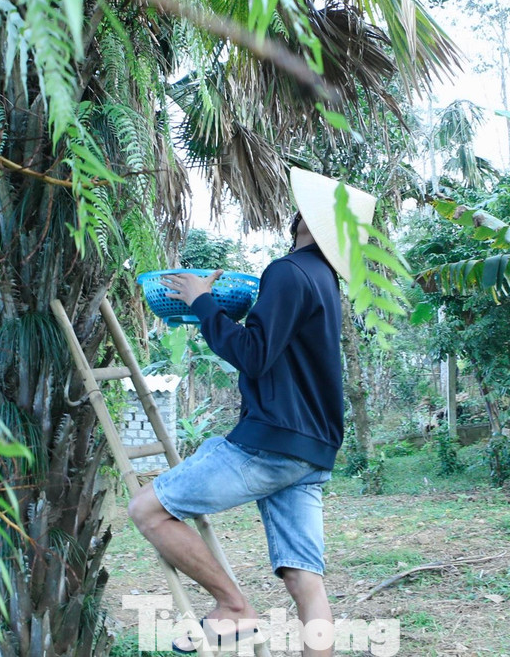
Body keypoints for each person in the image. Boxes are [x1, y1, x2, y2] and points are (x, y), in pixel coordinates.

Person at [127, 168, 377, 656]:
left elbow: (253, 354)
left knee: (147, 509)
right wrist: (221, 308)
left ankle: (233, 607)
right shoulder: (326, 281)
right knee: (306, 580)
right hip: (312, 449)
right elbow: (273, 347)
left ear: (307, 218)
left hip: (271, 442)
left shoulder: (288, 270)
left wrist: (201, 302)